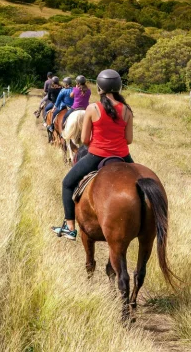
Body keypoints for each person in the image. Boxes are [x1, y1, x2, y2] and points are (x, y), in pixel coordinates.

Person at [52, 69, 134, 240]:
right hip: (123, 157)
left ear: (99, 88)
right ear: (119, 87)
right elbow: (129, 140)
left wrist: (99, 144)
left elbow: (84, 139)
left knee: (67, 183)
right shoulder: (127, 110)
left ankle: (70, 228)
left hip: (97, 155)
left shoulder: (93, 108)